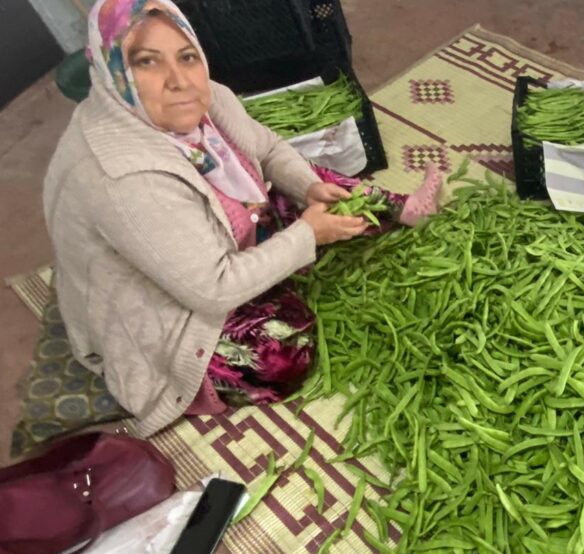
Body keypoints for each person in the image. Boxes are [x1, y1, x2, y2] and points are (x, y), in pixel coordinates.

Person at [43, 0, 441, 437]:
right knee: (280, 353)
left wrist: (307, 188)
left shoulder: (207, 101)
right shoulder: (121, 177)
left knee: (322, 187)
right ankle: (271, 279)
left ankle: (399, 208)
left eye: (187, 56)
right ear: (112, 71)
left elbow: (268, 148)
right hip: (162, 309)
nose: (179, 80)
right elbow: (213, 289)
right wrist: (307, 235)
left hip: (219, 233)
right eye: (146, 62)